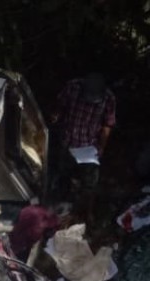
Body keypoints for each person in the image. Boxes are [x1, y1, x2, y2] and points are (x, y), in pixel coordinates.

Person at [50, 73, 116, 214]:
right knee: (63, 175)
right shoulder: (72, 87)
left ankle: (86, 214)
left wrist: (101, 147)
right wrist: (56, 115)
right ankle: (61, 209)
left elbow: (107, 125)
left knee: (89, 184)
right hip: (68, 142)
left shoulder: (108, 98)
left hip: (89, 147)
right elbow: (59, 105)